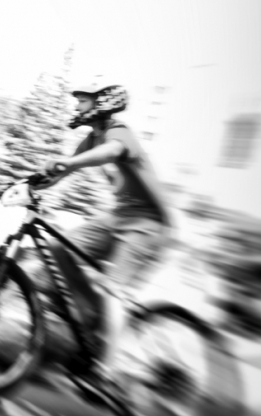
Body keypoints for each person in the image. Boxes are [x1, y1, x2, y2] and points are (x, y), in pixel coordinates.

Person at [40, 79, 172, 376]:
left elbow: (112, 152)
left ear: (101, 103)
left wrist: (68, 163)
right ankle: (89, 312)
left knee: (112, 289)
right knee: (58, 247)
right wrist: (23, 185)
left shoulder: (119, 132)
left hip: (148, 224)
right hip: (118, 217)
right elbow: (61, 172)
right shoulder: (91, 140)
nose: (76, 106)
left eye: (82, 100)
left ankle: (106, 370)